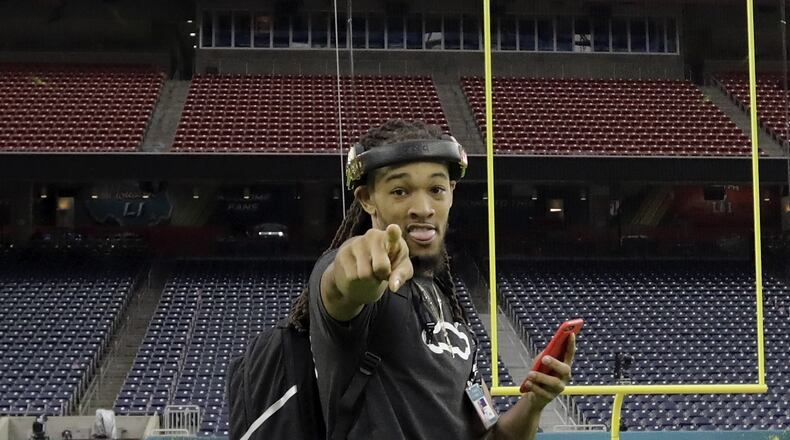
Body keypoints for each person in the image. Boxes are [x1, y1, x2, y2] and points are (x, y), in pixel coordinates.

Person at [289, 119, 575, 439]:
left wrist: (535, 401)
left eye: (436, 189)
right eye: (400, 191)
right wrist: (361, 264)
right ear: (367, 198)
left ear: (451, 193)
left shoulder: (448, 307)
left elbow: (493, 436)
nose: (423, 208)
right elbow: (344, 283)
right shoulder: (360, 279)